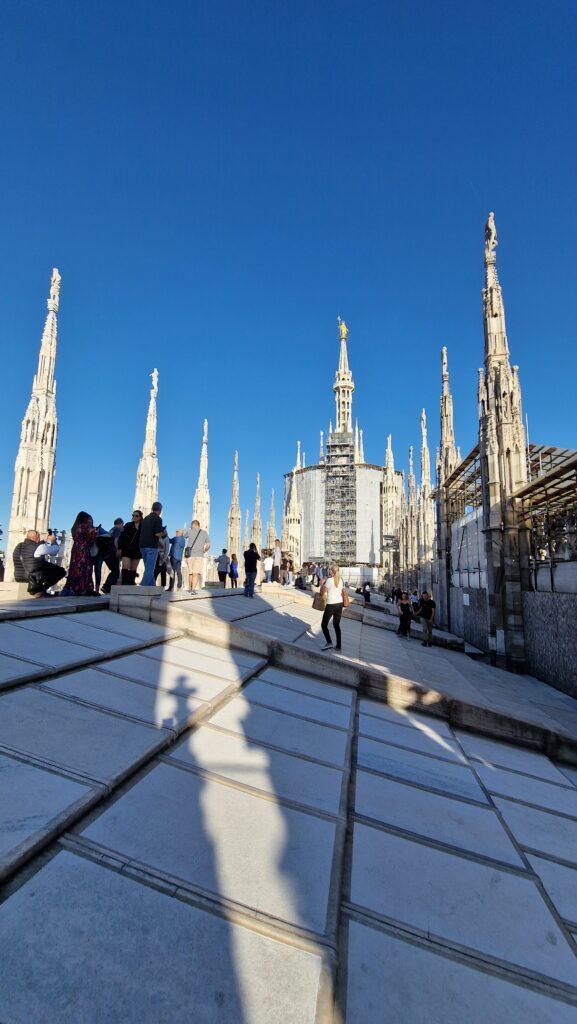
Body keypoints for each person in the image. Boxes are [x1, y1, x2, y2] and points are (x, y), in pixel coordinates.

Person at [13, 530, 66, 597]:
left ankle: (39, 589)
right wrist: (53, 541)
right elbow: (54, 551)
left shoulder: (19, 546)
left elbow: (33, 551)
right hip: (32, 577)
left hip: (19, 576)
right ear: (37, 537)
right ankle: (41, 590)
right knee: (61, 571)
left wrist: (44, 541)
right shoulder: (38, 547)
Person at [61, 513, 97, 596]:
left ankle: (73, 588)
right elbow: (91, 539)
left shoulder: (75, 527)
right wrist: (94, 532)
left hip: (76, 548)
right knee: (85, 568)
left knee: (75, 568)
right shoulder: (85, 527)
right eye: (89, 519)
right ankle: (83, 589)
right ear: (84, 519)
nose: (90, 521)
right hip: (83, 549)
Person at [320, 564, 345, 651]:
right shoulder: (341, 580)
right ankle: (338, 646)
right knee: (336, 625)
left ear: (331, 571)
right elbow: (342, 592)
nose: (329, 571)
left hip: (331, 604)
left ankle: (329, 642)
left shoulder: (329, 580)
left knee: (324, 625)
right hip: (339, 604)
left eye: (330, 570)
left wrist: (322, 584)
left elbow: (322, 593)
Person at [139, 502, 164, 586]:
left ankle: (152, 587)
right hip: (151, 547)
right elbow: (157, 533)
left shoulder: (146, 518)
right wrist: (163, 533)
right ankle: (143, 587)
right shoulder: (158, 519)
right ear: (160, 510)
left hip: (142, 546)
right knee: (149, 569)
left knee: (148, 568)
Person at [185, 518, 210, 594]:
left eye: (191, 525)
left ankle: (190, 588)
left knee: (190, 573)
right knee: (196, 573)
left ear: (193, 525)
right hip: (199, 555)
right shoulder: (204, 533)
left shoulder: (189, 531)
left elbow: (184, 536)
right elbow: (208, 544)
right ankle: (193, 589)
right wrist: (204, 550)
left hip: (190, 555)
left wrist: (189, 530)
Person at [117, 511, 142, 585]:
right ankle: (124, 584)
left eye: (136, 516)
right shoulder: (128, 525)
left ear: (140, 517)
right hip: (127, 549)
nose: (134, 517)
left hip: (137, 550)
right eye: (133, 515)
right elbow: (121, 537)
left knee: (133, 569)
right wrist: (119, 548)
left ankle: (131, 584)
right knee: (125, 567)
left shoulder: (143, 526)